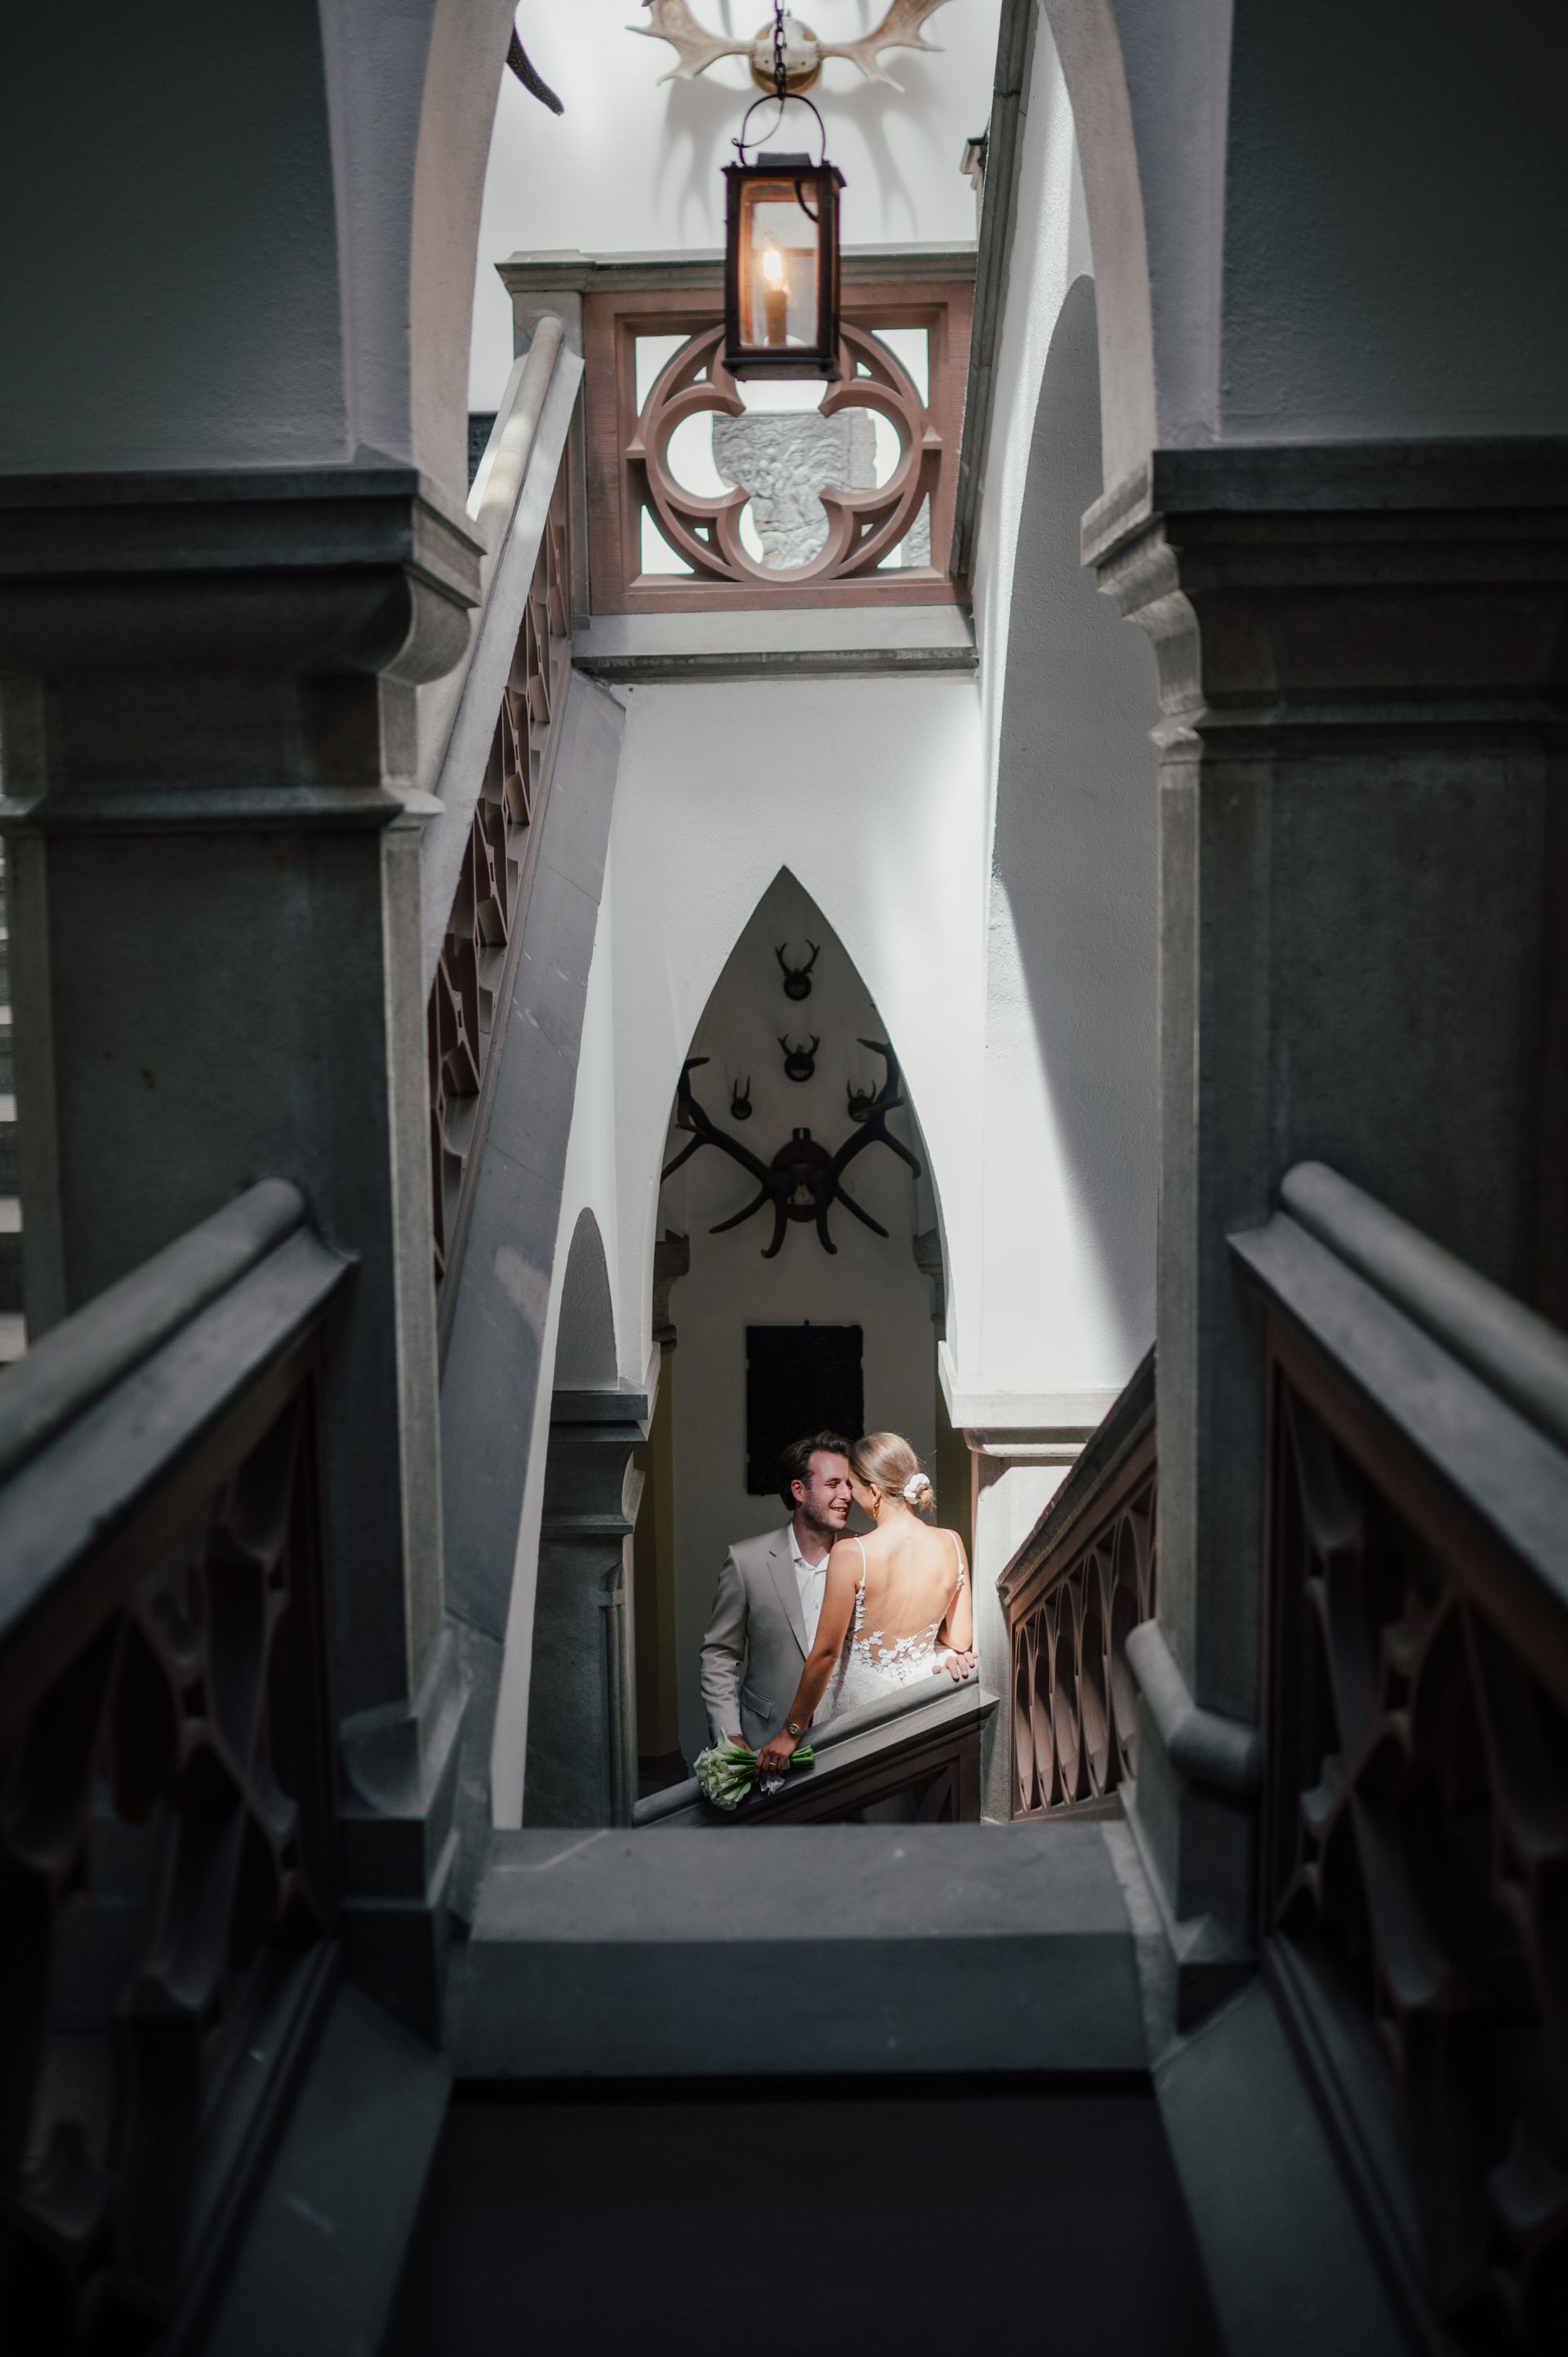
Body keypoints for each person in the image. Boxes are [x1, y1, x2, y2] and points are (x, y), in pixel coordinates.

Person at [752, 1431, 976, 1780]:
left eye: (853, 1486)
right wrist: (948, 1654)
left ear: (873, 1492)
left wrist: (789, 1733)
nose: (848, 1496)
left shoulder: (852, 1554)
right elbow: (961, 1640)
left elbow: (825, 1654)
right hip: (924, 1710)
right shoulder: (951, 1542)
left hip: (860, 1716)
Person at [699, 1431, 853, 1753]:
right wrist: (730, 1735)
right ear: (799, 1490)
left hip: (847, 1740)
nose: (847, 1494)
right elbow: (719, 1655)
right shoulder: (746, 1561)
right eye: (833, 1484)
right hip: (763, 1740)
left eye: (849, 1484)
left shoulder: (867, 1555)